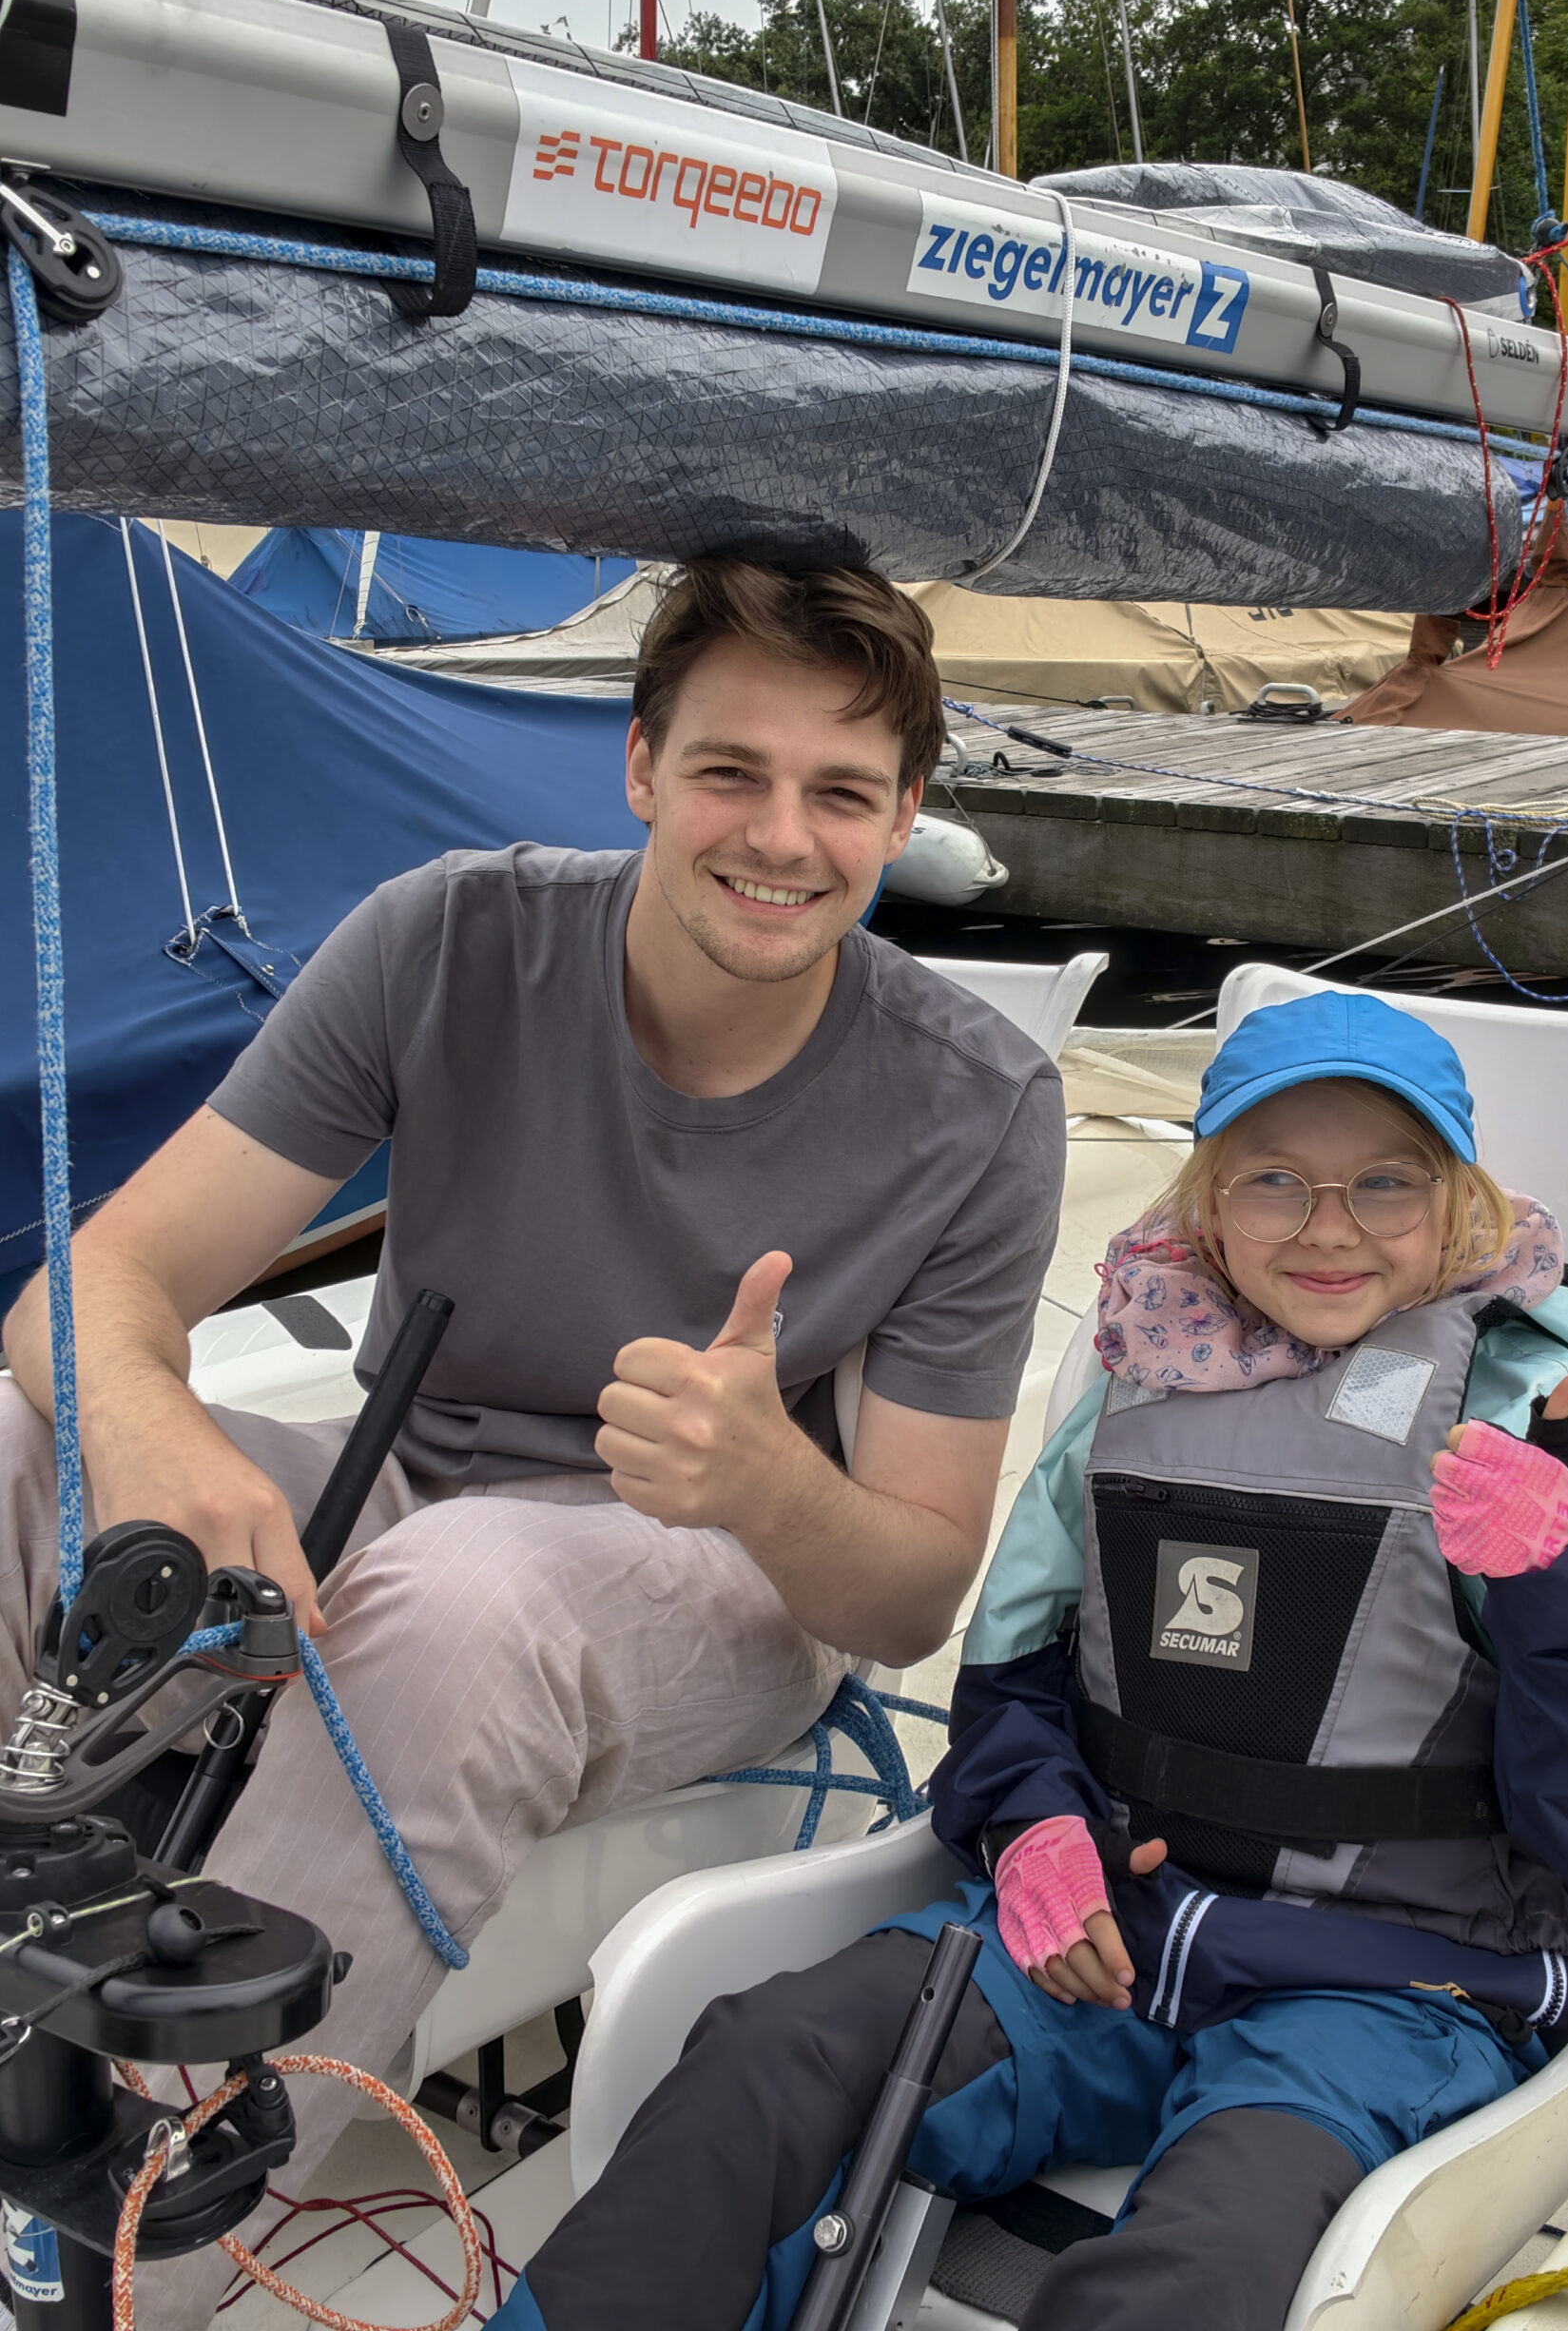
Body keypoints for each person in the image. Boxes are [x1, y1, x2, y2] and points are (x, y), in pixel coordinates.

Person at [0, 560, 1067, 2324]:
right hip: (403, 1487)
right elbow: (91, 1290)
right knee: (17, 1446)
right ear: (638, 766)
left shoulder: (981, 1106)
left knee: (466, 1595)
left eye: (841, 792)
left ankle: (140, 2239)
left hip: (730, 1568)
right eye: (730, 771)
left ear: (904, 820)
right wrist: (157, 1429)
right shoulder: (447, 940)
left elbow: (909, 1593)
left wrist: (765, 1480)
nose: (780, 836)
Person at [512, 988, 1568, 2331]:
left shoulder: (1530, 1416)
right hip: (1107, 1945)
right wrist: (1034, 1830)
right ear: (1209, 1207)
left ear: (1457, 1206)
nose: (1329, 1227)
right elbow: (1014, 1681)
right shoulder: (1135, 1379)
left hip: (1388, 1985)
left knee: (1208, 2263)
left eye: (1385, 1184)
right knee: (770, 2058)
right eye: (1274, 1182)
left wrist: (1567, 1588)